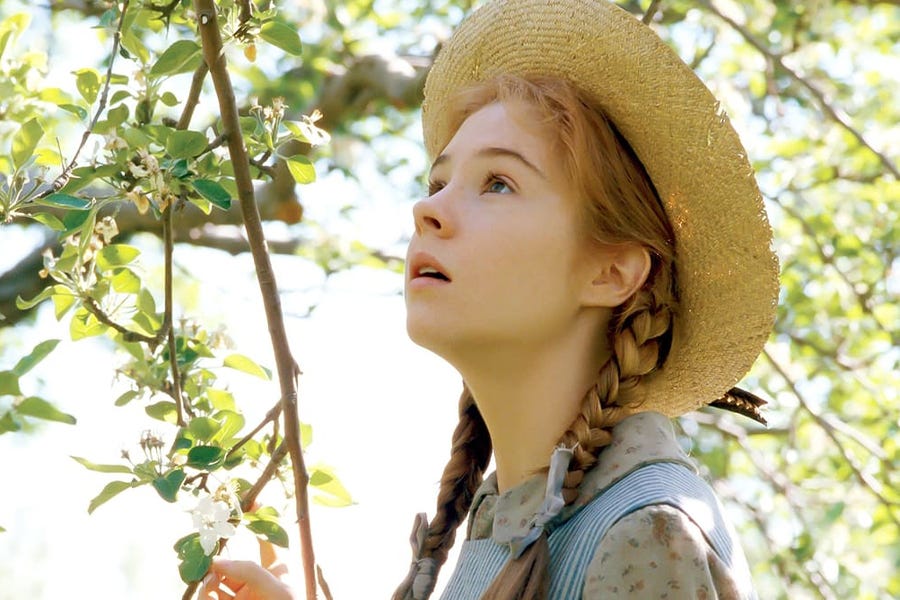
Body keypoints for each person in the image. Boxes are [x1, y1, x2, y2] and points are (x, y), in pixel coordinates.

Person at [202, 0, 779, 598]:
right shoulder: (512, 516)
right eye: (439, 182)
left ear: (612, 272)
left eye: (498, 183)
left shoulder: (646, 534)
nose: (427, 209)